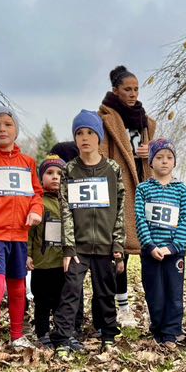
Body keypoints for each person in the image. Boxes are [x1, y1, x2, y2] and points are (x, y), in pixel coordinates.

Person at [52, 110, 125, 356]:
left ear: (99, 137)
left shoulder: (112, 169)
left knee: (105, 292)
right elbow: (66, 211)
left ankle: (108, 334)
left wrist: (118, 244)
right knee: (71, 291)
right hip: (79, 248)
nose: (84, 138)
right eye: (79, 133)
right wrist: (69, 248)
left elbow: (120, 209)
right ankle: (62, 338)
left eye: (90, 133)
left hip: (105, 245)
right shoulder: (69, 170)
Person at [0, 106, 44, 357]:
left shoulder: (28, 163)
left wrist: (36, 210)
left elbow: (37, 194)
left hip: (20, 237)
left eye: (7, 124)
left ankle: (17, 336)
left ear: (16, 130)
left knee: (17, 288)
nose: (2, 129)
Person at [99, 65, 156, 325]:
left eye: (136, 89)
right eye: (127, 89)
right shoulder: (105, 118)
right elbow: (101, 156)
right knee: (119, 251)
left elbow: (156, 156)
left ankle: (145, 306)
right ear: (115, 91)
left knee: (142, 249)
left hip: (143, 188)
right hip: (119, 191)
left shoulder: (143, 120)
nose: (133, 94)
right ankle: (118, 306)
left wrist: (150, 153)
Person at [134, 138, 186, 345]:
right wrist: (150, 246)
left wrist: (172, 247)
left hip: (174, 253)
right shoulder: (143, 189)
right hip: (151, 253)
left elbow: (185, 219)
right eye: (159, 157)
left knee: (174, 294)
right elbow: (140, 219)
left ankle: (172, 331)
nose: (164, 161)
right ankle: (157, 328)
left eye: (169, 157)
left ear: (174, 162)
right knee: (155, 294)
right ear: (151, 162)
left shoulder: (182, 190)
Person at [27, 156, 66, 348]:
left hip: (62, 262)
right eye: (50, 173)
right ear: (41, 177)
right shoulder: (37, 202)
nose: (55, 177)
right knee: (42, 300)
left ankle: (61, 332)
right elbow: (29, 232)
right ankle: (42, 332)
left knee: (61, 300)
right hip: (41, 262)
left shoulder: (68, 203)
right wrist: (27, 254)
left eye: (60, 173)